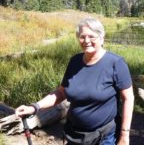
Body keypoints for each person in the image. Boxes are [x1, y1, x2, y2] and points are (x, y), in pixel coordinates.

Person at [15, 17, 135, 145]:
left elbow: (128, 98)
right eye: (82, 37)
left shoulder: (115, 63)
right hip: (74, 135)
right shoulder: (75, 62)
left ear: (101, 37)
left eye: (91, 36)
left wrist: (124, 135)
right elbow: (61, 93)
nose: (86, 41)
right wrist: (35, 107)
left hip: (104, 137)